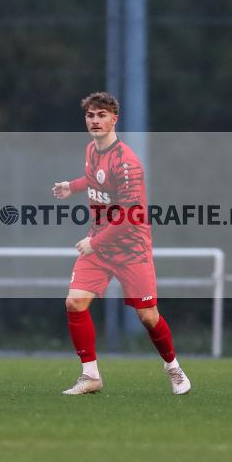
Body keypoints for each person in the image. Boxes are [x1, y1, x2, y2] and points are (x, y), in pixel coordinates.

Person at [52, 91, 191, 395]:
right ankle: (91, 376)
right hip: (100, 244)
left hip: (131, 249)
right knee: (74, 302)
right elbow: (94, 178)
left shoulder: (127, 162)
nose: (95, 120)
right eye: (90, 115)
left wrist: (95, 242)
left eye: (101, 115)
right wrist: (71, 187)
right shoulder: (92, 149)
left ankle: (173, 367)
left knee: (148, 316)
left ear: (115, 119)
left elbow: (132, 214)